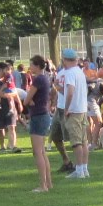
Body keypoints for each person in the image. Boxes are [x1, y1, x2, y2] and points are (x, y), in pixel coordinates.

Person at [56, 47, 91, 179]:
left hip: (74, 111)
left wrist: (66, 109)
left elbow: (70, 92)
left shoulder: (70, 73)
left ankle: (79, 170)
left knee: (76, 142)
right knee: (83, 141)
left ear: (65, 60)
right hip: (82, 109)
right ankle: (84, 169)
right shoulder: (80, 72)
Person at [24, 54, 55, 193]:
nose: (30, 67)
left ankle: (43, 185)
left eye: (31, 64)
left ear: (37, 66)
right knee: (42, 152)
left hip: (38, 116)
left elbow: (26, 100)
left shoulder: (38, 80)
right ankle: (49, 183)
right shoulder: (45, 78)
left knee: (37, 153)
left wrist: (29, 100)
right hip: (43, 115)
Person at [0, 62, 23, 153]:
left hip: (10, 107)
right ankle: (2, 146)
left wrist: (19, 103)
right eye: (6, 69)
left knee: (12, 127)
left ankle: (13, 146)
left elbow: (14, 91)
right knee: (0, 129)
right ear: (0, 69)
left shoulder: (9, 78)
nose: (8, 71)